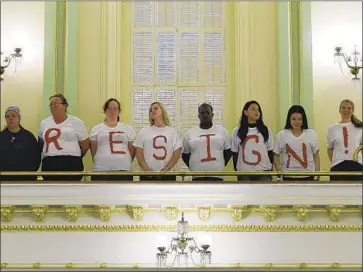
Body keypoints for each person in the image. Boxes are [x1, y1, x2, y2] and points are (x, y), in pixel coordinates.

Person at [38, 94, 89, 181]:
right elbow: (40, 143)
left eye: (56, 103)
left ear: (65, 106)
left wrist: (73, 155)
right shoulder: (44, 123)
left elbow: (85, 144)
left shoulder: (77, 122)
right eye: (51, 104)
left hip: (71, 162)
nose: (53, 106)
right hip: (50, 162)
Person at [182, 103, 232, 181]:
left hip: (217, 175)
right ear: (198, 116)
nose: (205, 115)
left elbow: (228, 152)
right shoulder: (190, 133)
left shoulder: (222, 131)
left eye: (207, 113)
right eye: (202, 113)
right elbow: (185, 154)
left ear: (212, 115)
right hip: (197, 175)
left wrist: (219, 165)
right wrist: (194, 166)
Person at [133, 102, 182, 181]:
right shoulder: (143, 131)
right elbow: (139, 154)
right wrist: (147, 170)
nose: (152, 111)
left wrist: (166, 169)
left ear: (162, 111)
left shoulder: (172, 131)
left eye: (155, 108)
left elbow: (176, 153)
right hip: (147, 175)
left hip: (168, 174)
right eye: (150, 110)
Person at [89, 98, 135, 181]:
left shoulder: (128, 129)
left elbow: (132, 150)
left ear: (119, 111)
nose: (112, 111)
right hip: (101, 169)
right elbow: (93, 151)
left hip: (123, 169)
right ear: (105, 111)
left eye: (115, 108)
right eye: (109, 108)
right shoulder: (96, 129)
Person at [273, 105, 320, 181]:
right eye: (294, 119)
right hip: (287, 176)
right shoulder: (281, 134)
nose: (296, 122)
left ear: (303, 120)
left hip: (308, 175)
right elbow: (275, 155)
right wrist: (279, 171)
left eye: (300, 119)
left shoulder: (311, 133)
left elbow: (316, 156)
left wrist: (317, 174)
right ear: (289, 119)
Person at [231, 101, 274, 181]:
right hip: (244, 172)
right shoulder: (237, 131)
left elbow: (270, 152)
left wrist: (269, 168)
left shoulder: (266, 130)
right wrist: (238, 170)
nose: (256, 112)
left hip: (263, 171)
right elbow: (235, 153)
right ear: (245, 112)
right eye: (253, 109)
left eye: (258, 110)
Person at [0, 105, 41, 181]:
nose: (10, 118)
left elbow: (36, 157)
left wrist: (30, 173)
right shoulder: (1, 137)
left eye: (13, 116)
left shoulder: (29, 137)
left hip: (25, 179)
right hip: (4, 179)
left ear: (19, 119)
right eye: (8, 116)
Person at [327, 99, 363, 181]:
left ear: (353, 110)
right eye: (343, 108)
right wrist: (336, 161)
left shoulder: (360, 127)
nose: (346, 110)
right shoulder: (332, 128)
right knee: (338, 192)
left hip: (357, 165)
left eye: (349, 108)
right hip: (338, 165)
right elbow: (329, 149)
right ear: (339, 110)